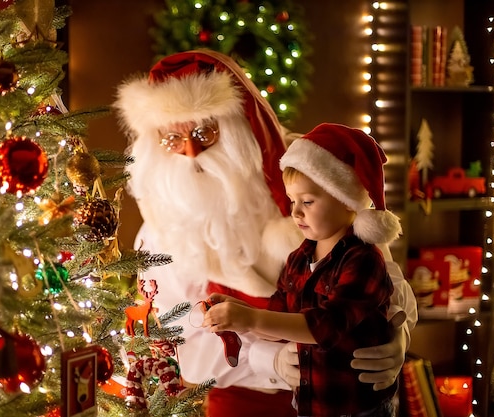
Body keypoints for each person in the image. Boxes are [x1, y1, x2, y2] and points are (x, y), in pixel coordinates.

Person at [113, 49, 417, 417]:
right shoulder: (162, 233)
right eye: (171, 139)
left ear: (238, 127)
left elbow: (381, 271)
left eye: (203, 132)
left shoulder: (302, 178)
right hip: (247, 404)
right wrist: (267, 360)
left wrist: (397, 331)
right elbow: (176, 341)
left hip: (349, 394)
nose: (190, 152)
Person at [204, 123, 405, 417]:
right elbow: (281, 316)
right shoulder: (300, 257)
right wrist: (240, 313)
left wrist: (251, 318)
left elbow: (326, 326)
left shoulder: (363, 261)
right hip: (312, 401)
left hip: (356, 406)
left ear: (345, 199)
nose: (295, 212)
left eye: (307, 202)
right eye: (292, 201)